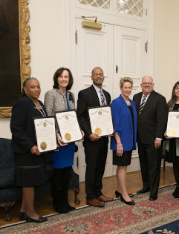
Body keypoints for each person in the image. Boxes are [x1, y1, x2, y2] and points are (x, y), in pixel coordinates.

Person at [10, 77, 48, 223]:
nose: (36, 89)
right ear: (25, 89)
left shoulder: (40, 104)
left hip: (38, 150)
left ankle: (23, 210)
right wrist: (30, 146)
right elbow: (16, 129)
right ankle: (31, 213)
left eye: (38, 86)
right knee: (28, 182)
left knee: (31, 181)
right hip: (25, 151)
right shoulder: (22, 103)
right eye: (32, 87)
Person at [77, 67, 113, 207]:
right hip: (91, 138)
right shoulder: (84, 94)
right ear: (91, 77)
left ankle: (98, 193)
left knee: (100, 166)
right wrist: (88, 133)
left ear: (103, 77)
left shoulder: (107, 95)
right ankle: (90, 196)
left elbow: (107, 115)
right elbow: (80, 116)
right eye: (96, 74)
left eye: (100, 74)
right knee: (92, 166)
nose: (98, 76)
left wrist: (109, 129)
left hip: (104, 138)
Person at [44, 67, 78, 213]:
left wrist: (79, 131)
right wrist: (56, 134)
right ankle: (57, 203)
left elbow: (73, 116)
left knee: (66, 172)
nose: (64, 79)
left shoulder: (71, 95)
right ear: (56, 78)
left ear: (69, 80)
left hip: (70, 141)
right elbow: (48, 117)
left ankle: (65, 202)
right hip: (57, 140)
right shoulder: (50, 94)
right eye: (61, 76)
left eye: (66, 76)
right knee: (58, 173)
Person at [133, 76, 168, 201]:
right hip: (140, 138)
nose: (147, 85)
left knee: (153, 166)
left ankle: (153, 192)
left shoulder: (160, 99)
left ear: (153, 85)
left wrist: (159, 137)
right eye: (144, 83)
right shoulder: (136, 97)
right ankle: (146, 187)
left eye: (149, 83)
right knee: (144, 164)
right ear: (141, 85)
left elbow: (161, 120)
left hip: (154, 140)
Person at [110, 77, 137, 205]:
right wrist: (119, 143)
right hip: (120, 141)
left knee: (123, 166)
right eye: (125, 87)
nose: (127, 89)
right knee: (122, 167)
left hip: (129, 140)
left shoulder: (133, 103)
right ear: (121, 88)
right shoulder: (116, 103)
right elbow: (115, 124)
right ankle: (124, 194)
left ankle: (119, 190)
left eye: (129, 87)